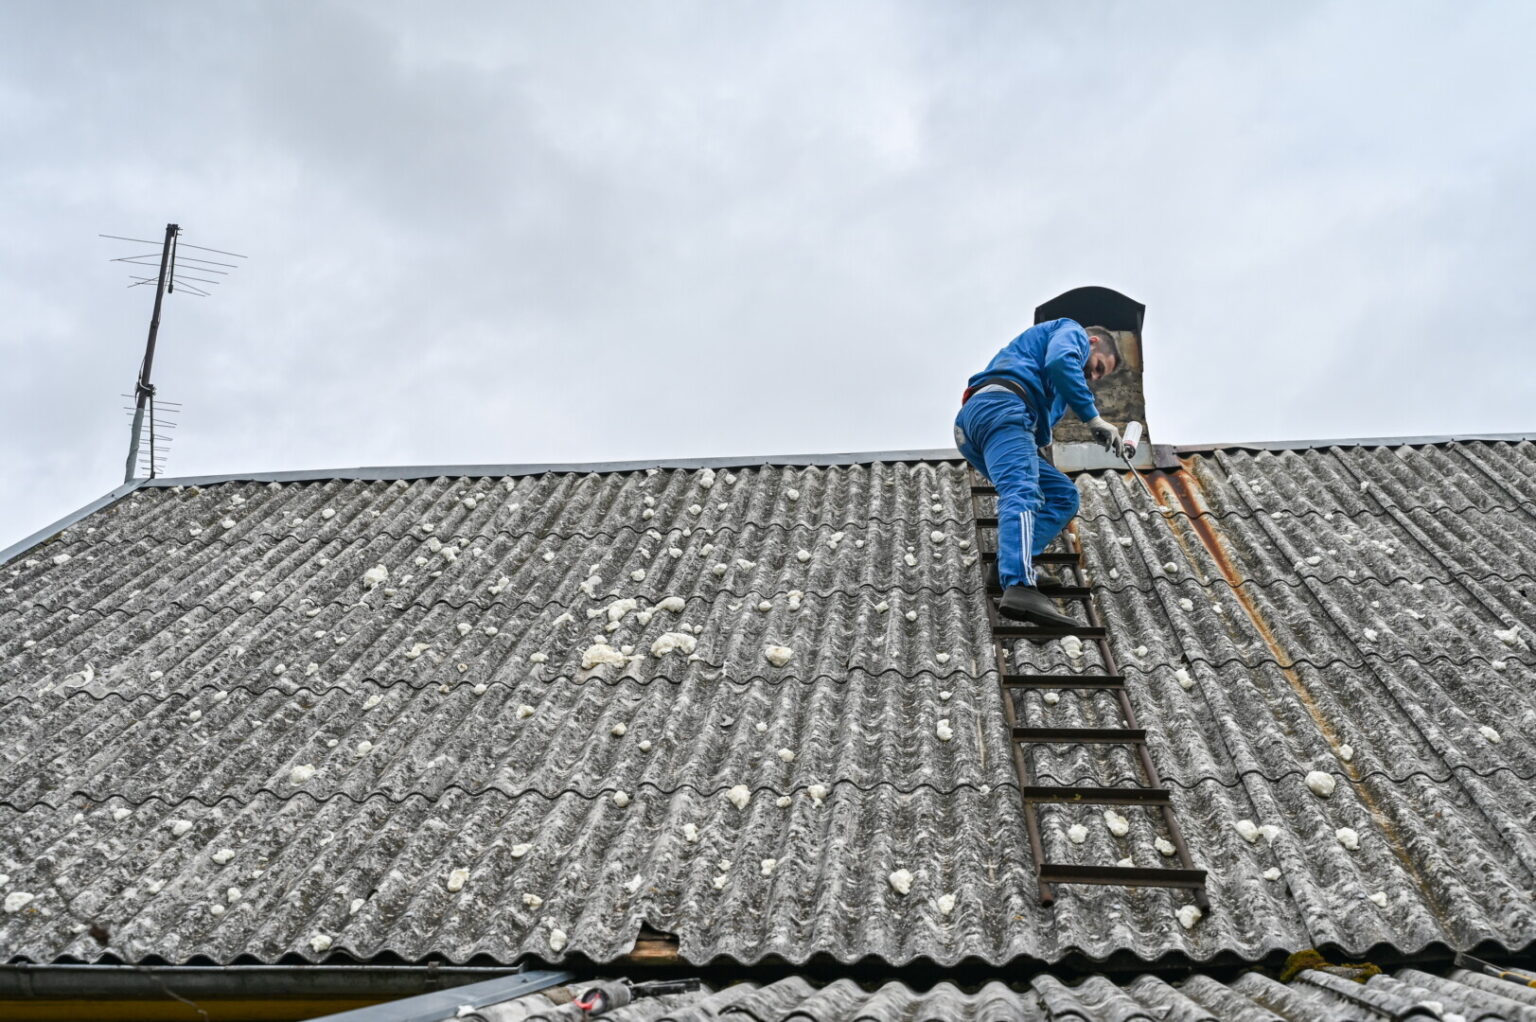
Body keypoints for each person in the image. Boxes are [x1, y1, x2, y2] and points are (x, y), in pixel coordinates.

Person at [954, 318, 1127, 628]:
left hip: (984, 426)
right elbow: (1062, 362)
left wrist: (1093, 429)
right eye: (1099, 367)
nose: (1094, 376)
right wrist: (1093, 418)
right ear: (1094, 343)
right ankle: (1019, 585)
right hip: (1000, 408)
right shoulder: (1072, 330)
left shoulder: (1051, 381)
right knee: (1022, 490)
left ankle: (1006, 564)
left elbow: (1044, 428)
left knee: (1063, 495)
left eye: (1100, 376)